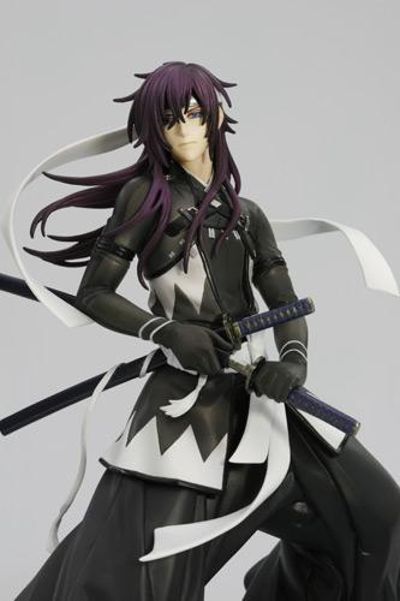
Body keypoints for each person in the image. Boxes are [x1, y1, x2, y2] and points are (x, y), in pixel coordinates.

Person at [11, 62, 400, 601]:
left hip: (262, 395)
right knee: (138, 569)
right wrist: (166, 331)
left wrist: (292, 361)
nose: (184, 129)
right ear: (155, 129)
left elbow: (285, 302)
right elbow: (94, 293)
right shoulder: (146, 200)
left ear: (216, 117)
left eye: (194, 114)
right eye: (170, 119)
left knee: (377, 518)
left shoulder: (248, 215)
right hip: (184, 407)